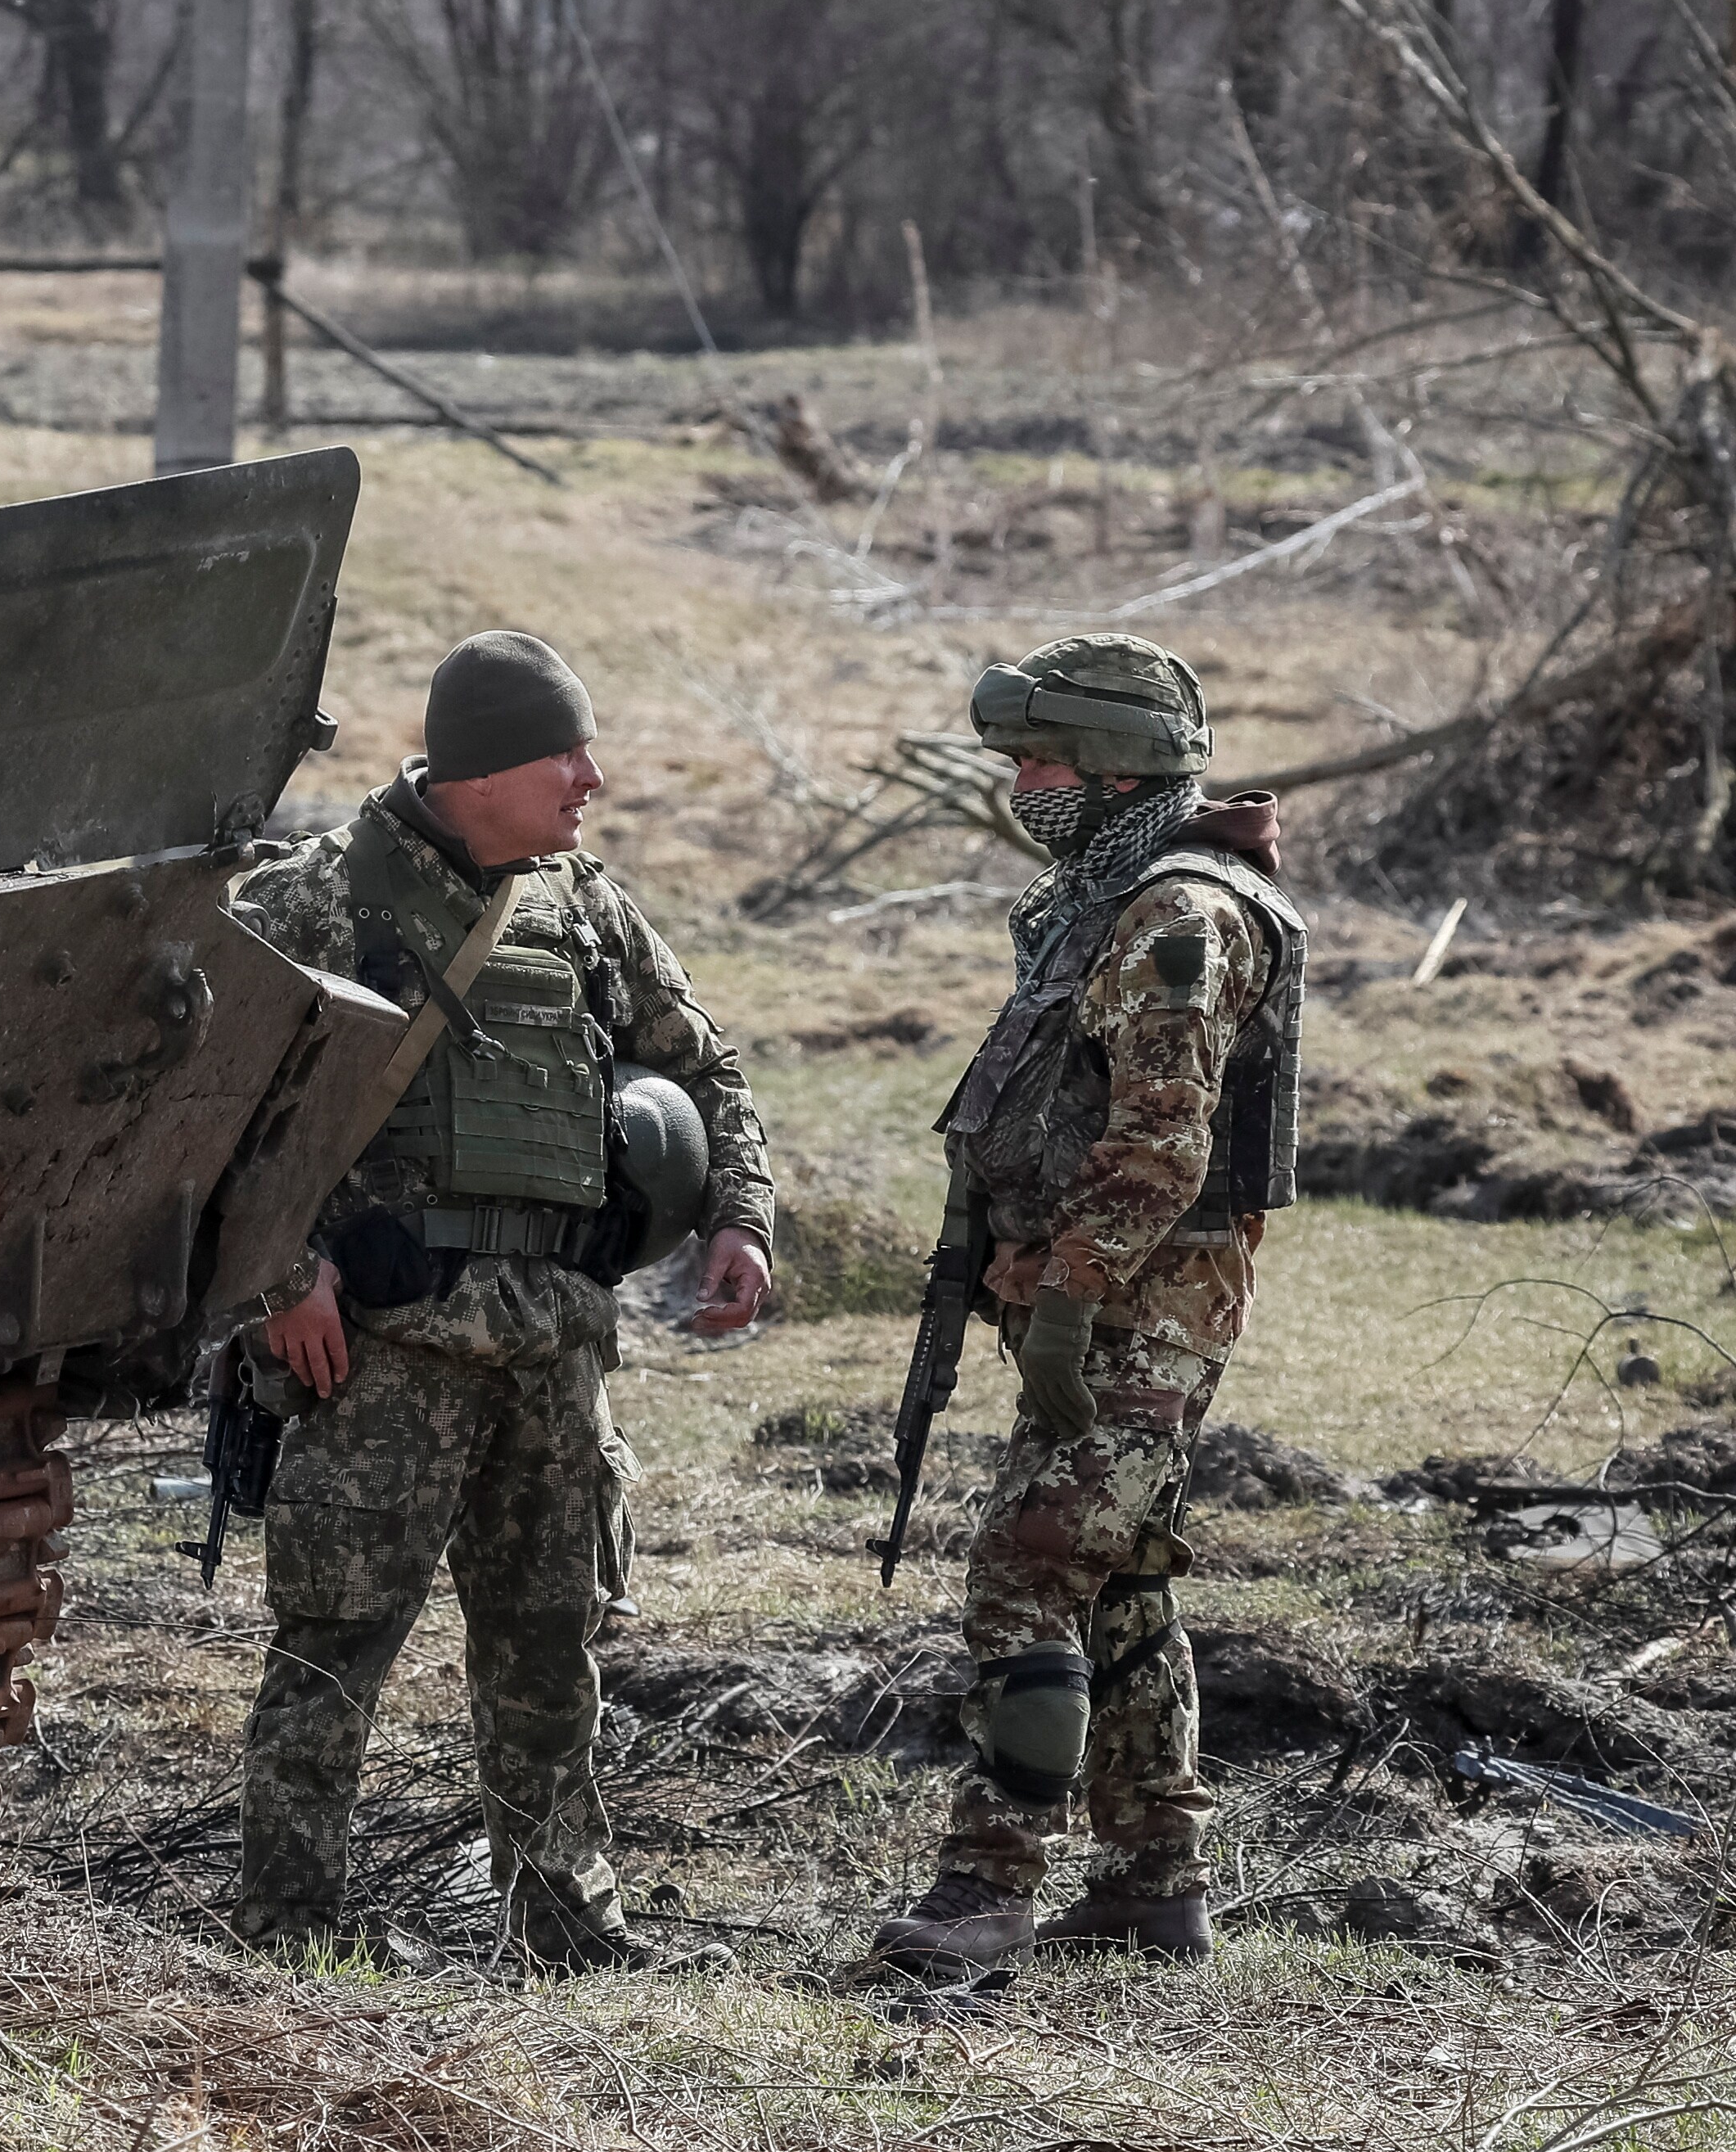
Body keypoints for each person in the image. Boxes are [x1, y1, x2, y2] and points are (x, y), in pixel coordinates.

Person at [226, 630, 777, 1969]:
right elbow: (207, 1121)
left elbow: (706, 1068)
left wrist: (741, 1217)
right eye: (564, 754)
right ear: (482, 771)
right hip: (381, 1351)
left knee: (552, 1648)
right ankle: (289, 1924)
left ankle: (568, 1925)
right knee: (332, 1648)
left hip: (554, 1348)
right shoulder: (316, 900)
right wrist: (285, 1282)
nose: (591, 778)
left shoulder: (585, 909)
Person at [871, 634, 1305, 1975]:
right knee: (1118, 1584)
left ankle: (986, 1889)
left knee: (1029, 1569)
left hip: (1138, 1302)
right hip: (1110, 1293)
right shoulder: (1105, 894)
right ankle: (1152, 1881)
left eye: (1044, 758)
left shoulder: (1181, 916)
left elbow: (1165, 1145)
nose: (1024, 781)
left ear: (1119, 769)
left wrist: (1066, 1295)